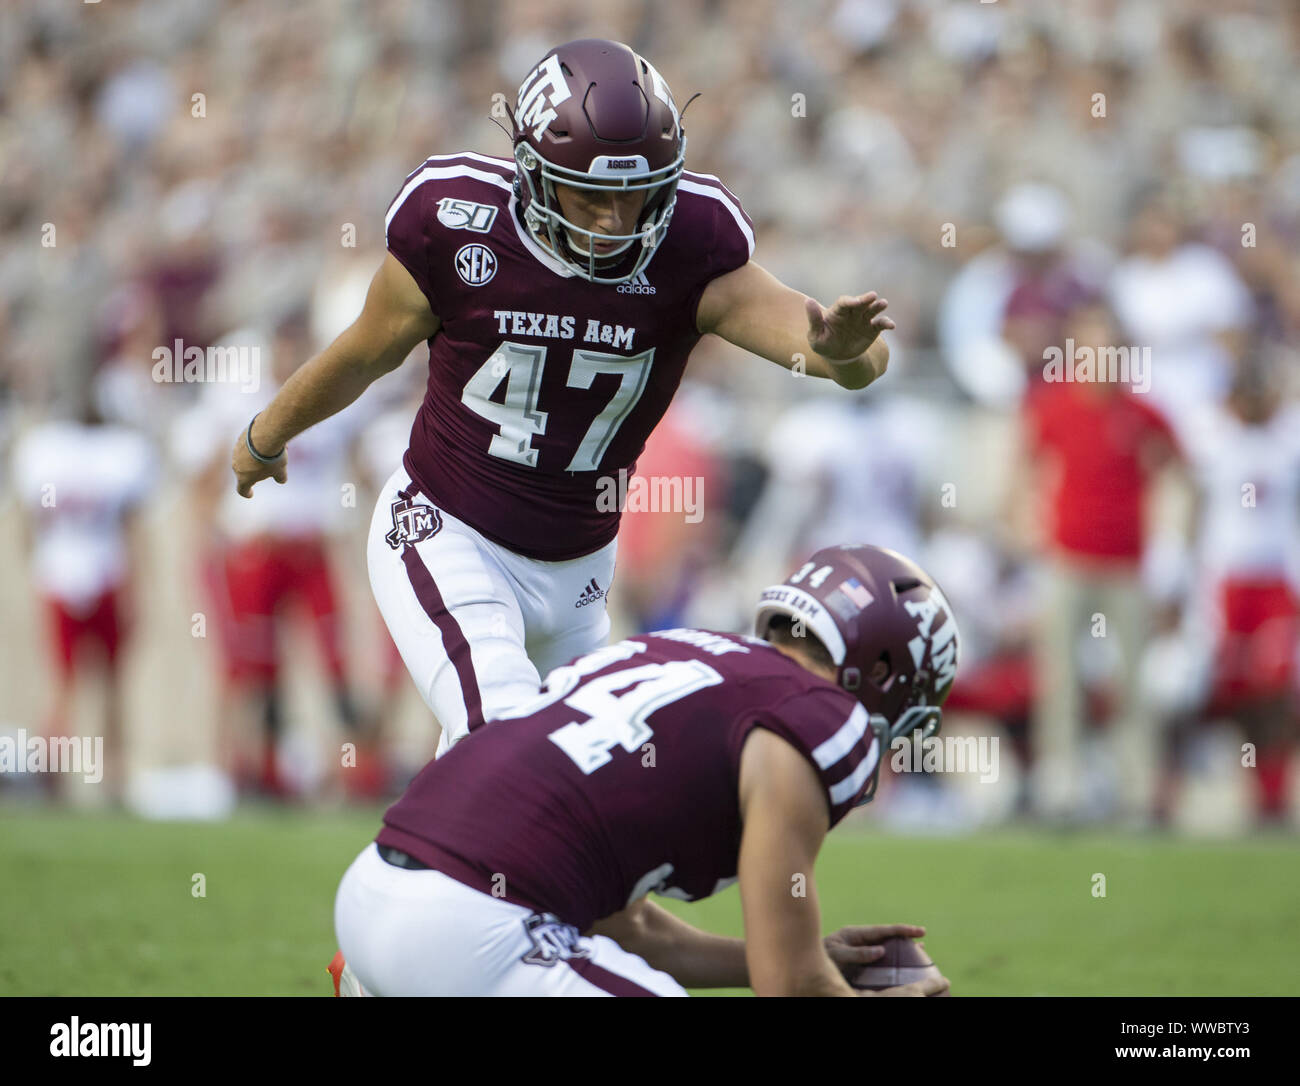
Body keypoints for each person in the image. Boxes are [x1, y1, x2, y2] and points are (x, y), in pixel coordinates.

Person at [230, 39, 895, 757]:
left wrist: (842, 354)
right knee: (505, 745)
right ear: (531, 173)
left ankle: (419, 865)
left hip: (580, 571)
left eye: (636, 193)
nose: (615, 219)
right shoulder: (457, 225)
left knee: (570, 787)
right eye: (593, 195)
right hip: (449, 529)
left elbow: (857, 362)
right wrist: (265, 436)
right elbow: (365, 350)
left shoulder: (692, 248)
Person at [332, 544, 958, 997]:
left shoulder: (679, 651)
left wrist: (808, 957)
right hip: (474, 929)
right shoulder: (819, 714)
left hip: (374, 897)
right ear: (882, 671)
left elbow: (625, 928)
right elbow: (790, 986)